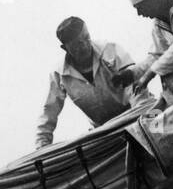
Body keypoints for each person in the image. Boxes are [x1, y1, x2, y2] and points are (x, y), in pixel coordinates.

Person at [36, 16, 143, 148]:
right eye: (77, 45)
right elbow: (49, 110)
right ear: (65, 48)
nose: (85, 46)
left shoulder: (110, 49)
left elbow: (135, 83)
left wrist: (140, 117)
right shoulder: (59, 74)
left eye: (87, 38)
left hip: (136, 114)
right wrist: (42, 145)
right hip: (104, 131)